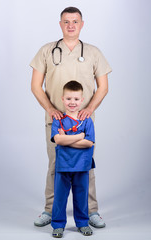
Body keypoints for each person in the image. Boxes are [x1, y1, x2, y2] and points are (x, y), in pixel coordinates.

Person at [30, 6, 112, 228]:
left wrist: (90, 107)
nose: (71, 25)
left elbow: (103, 87)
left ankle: (91, 211)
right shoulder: (47, 51)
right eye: (66, 21)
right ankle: (50, 209)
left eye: (75, 21)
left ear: (82, 24)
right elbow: (35, 86)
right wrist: (50, 109)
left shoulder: (93, 52)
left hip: (83, 122)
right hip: (57, 121)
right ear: (60, 24)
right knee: (55, 164)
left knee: (86, 165)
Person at [51, 81, 94, 237]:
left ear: (82, 100)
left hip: (82, 165)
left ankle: (82, 223)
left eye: (76, 99)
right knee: (60, 197)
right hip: (64, 165)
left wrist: (68, 138)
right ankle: (57, 225)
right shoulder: (58, 119)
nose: (72, 102)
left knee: (81, 196)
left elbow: (88, 143)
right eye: (69, 99)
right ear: (63, 99)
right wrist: (79, 136)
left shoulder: (87, 120)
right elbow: (58, 140)